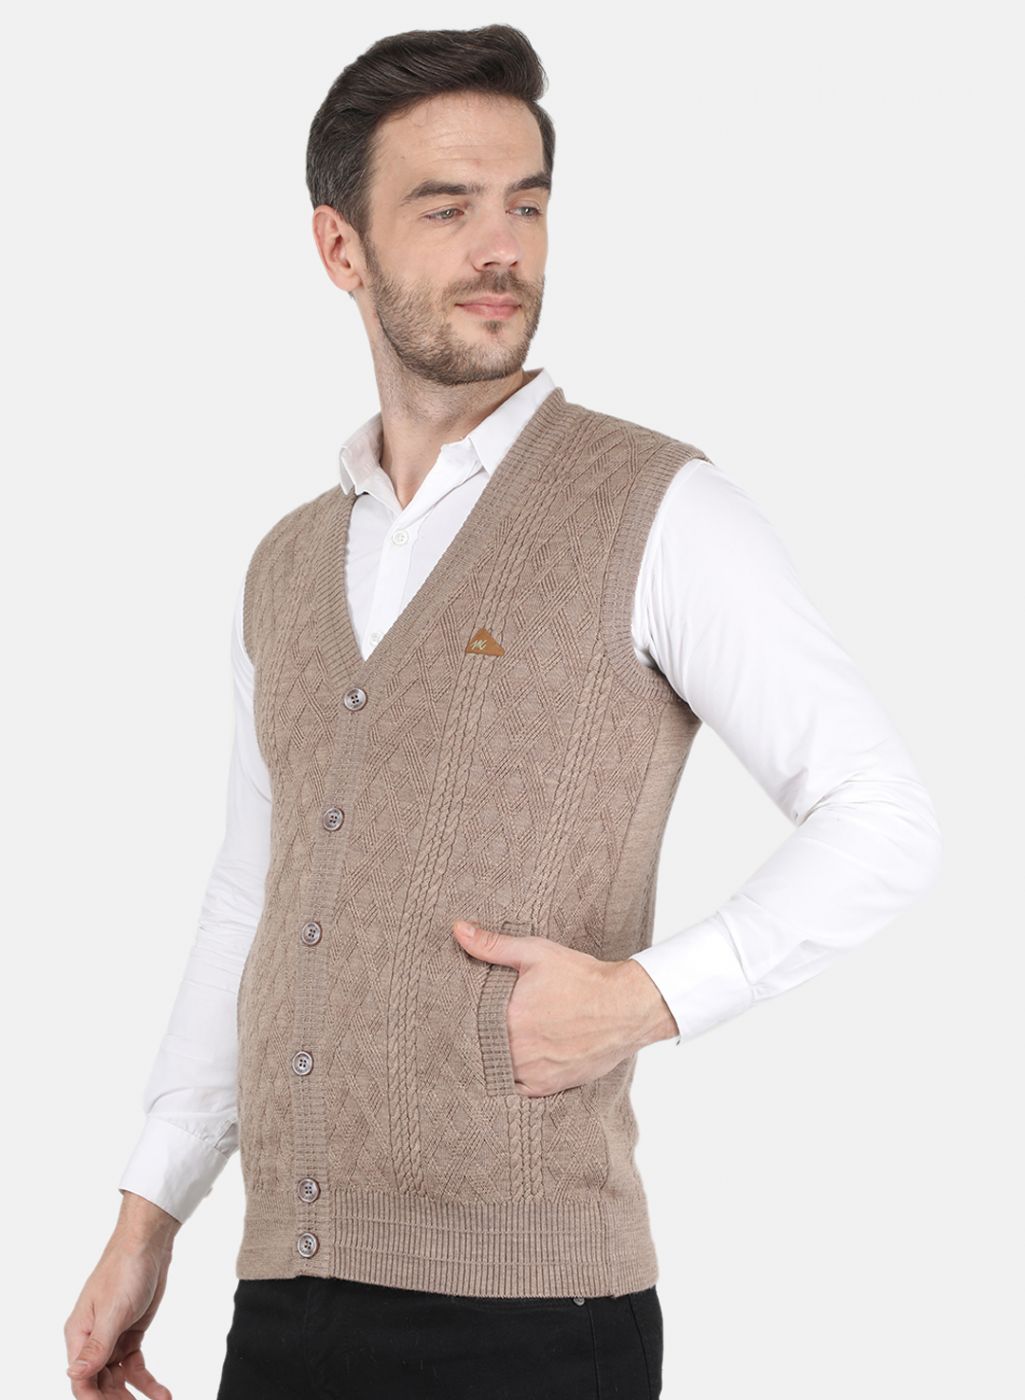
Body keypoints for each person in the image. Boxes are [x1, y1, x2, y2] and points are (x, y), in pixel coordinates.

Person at [63, 23, 943, 1400]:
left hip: (534, 1312)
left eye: (526, 205)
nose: (502, 249)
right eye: (447, 208)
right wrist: (149, 1213)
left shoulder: (661, 509)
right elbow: (251, 895)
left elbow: (882, 817)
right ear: (340, 249)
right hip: (284, 1295)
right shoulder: (287, 563)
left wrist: (648, 998)